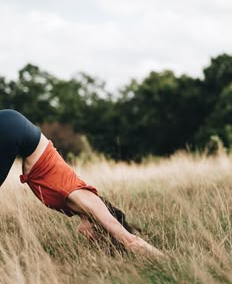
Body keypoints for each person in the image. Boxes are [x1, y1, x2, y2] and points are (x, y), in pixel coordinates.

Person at [0, 109, 164, 257]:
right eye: (97, 240)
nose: (91, 241)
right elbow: (132, 241)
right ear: (100, 229)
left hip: (15, 128)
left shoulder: (77, 207)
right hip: (15, 131)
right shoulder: (90, 203)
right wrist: (166, 260)